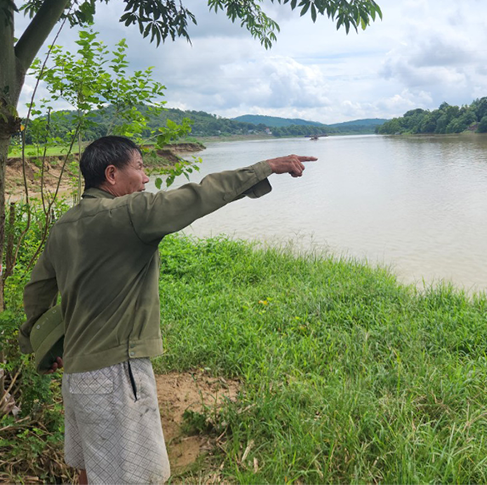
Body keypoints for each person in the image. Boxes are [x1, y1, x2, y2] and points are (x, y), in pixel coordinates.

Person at [19, 136, 317, 484]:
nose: (146, 179)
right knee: (138, 478)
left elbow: (37, 290)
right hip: (118, 375)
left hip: (77, 380)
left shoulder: (64, 225)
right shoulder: (129, 214)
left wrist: (39, 346)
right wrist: (267, 167)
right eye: (141, 168)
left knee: (91, 472)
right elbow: (201, 195)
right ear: (112, 174)